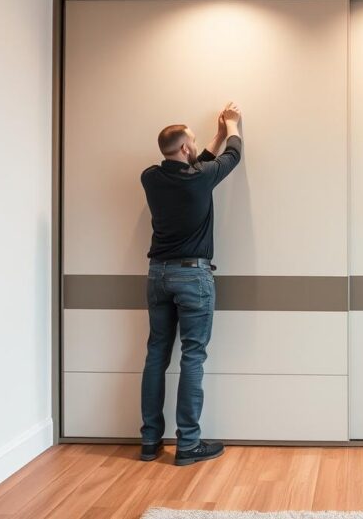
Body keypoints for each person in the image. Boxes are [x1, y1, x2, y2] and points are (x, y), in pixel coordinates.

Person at [138, 102, 244, 466]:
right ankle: (188, 444)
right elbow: (233, 154)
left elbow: (197, 162)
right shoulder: (202, 177)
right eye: (193, 143)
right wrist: (231, 126)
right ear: (185, 148)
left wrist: (211, 135)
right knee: (192, 356)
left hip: (158, 275)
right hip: (193, 275)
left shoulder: (150, 176)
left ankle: (150, 442)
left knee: (156, 355)